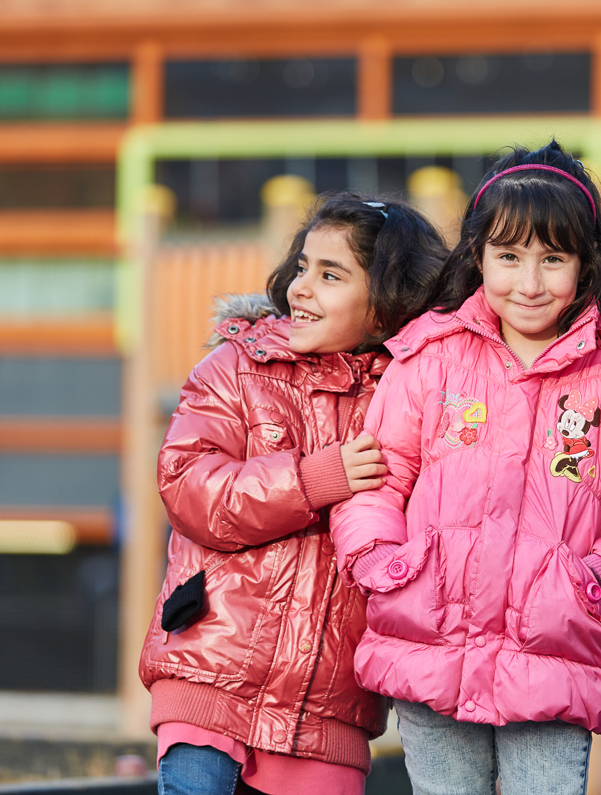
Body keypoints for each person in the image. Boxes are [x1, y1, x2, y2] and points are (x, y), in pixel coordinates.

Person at [329, 141, 601, 795]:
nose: (529, 282)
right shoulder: (432, 357)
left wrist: (599, 581)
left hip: (556, 651)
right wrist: (382, 561)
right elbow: (378, 475)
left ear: (584, 264)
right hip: (433, 642)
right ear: (479, 256)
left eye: (552, 259)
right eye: (510, 257)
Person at [139, 194, 449, 795]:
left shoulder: (407, 396)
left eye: (331, 275)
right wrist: (313, 479)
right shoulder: (237, 367)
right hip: (210, 675)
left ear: (388, 305)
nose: (302, 287)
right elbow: (188, 487)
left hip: (330, 708)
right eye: (303, 267)